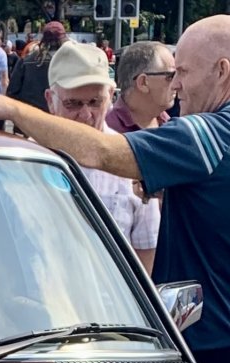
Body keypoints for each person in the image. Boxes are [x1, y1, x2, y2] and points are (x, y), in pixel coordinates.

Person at [0, 15, 230, 363]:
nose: (177, 84)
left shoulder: (209, 134)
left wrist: (12, 110)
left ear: (221, 71)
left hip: (204, 344)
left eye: (183, 70)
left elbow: (101, 151)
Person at [45, 42, 160, 273]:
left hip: (110, 305)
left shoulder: (129, 161)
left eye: (95, 102)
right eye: (73, 104)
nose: (86, 114)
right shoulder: (27, 159)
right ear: (50, 101)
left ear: (109, 97)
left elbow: (145, 255)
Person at [107, 40, 174, 133]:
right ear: (143, 82)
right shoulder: (107, 131)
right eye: (170, 76)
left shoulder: (169, 123)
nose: (177, 84)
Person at [7, 20, 65, 115]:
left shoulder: (26, 61)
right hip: (59, 122)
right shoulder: (71, 63)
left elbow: (12, 92)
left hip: (28, 118)